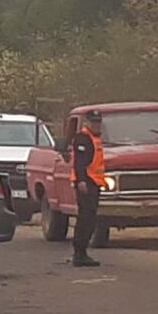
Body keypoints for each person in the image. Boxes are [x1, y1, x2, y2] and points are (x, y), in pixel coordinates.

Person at [71, 110, 106, 267]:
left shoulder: (95, 138)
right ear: (87, 123)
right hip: (86, 183)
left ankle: (82, 253)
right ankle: (79, 253)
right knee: (85, 218)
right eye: (94, 122)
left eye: (99, 122)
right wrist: (81, 181)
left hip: (95, 182)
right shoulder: (83, 138)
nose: (97, 125)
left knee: (90, 218)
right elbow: (79, 163)